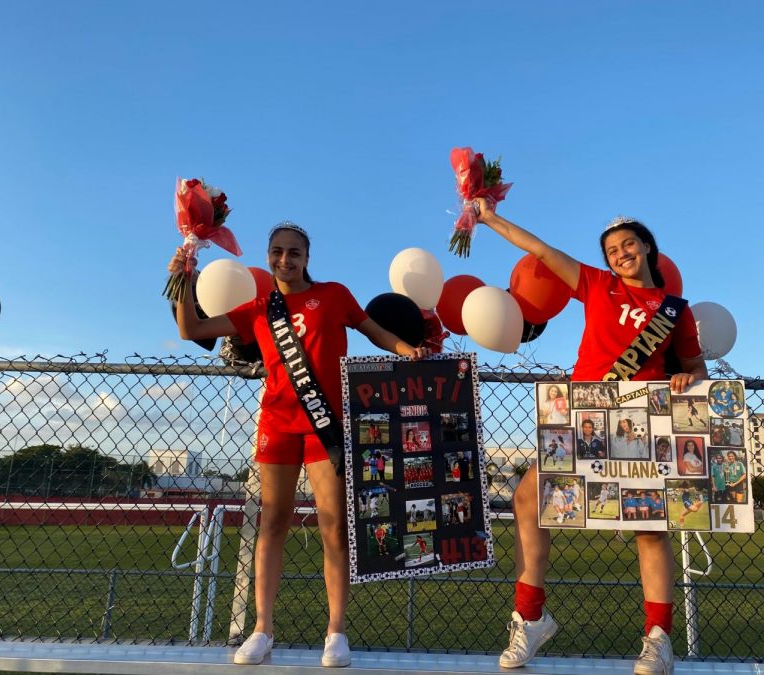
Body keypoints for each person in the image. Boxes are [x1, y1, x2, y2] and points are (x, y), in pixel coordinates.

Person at [169, 221, 428, 667]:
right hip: (277, 423)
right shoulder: (257, 307)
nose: (284, 259)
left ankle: (336, 632)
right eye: (277, 251)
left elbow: (373, 331)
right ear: (268, 255)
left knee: (334, 527)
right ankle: (262, 630)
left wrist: (406, 349)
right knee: (272, 524)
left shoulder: (334, 295)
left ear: (308, 258)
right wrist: (183, 276)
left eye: (293, 252)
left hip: (325, 427)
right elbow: (190, 330)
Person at [474, 202, 707, 675]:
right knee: (528, 499)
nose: (621, 253)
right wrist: (490, 218)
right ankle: (531, 617)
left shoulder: (675, 311)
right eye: (612, 249)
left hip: (641, 422)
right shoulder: (596, 285)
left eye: (628, 244)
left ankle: (658, 640)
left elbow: (695, 366)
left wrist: (687, 378)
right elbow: (539, 248)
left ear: (646, 247)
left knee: (650, 528)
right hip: (583, 417)